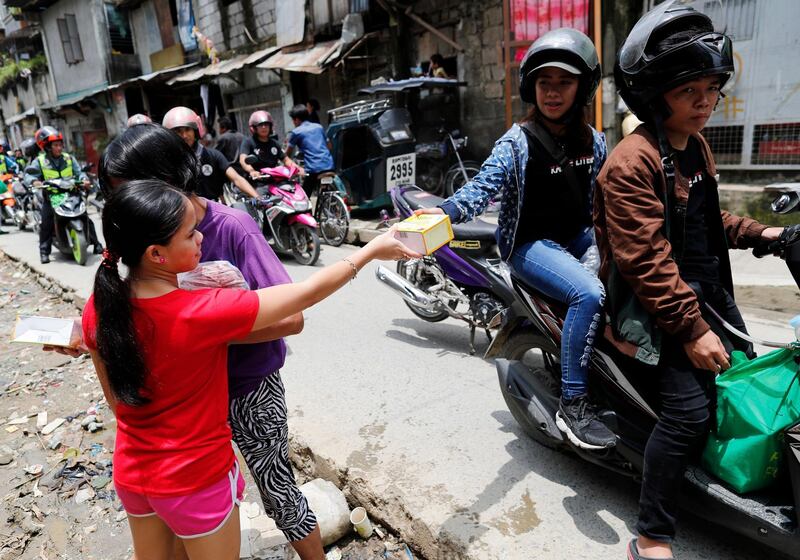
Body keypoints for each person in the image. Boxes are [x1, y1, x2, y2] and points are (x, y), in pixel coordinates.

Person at [82, 179, 417, 560]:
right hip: (196, 480)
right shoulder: (200, 310)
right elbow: (304, 295)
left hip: (134, 473)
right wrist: (371, 250)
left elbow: (114, 401)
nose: (201, 240)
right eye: (191, 235)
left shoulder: (99, 307)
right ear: (156, 254)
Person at [594, 3, 785, 558]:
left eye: (712, 88)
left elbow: (704, 223)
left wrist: (764, 234)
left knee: (747, 379)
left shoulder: (695, 147)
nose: (704, 102)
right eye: (689, 91)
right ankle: (652, 534)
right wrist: (691, 330)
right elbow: (647, 259)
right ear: (657, 94)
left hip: (705, 294)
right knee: (690, 414)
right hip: (655, 307)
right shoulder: (632, 163)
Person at [97, 123, 323, 560]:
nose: (122, 206)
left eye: (128, 189)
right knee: (186, 508)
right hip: (181, 404)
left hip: (247, 387)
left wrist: (204, 327)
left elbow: (292, 317)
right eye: (115, 193)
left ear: (167, 179)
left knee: (277, 490)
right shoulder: (139, 237)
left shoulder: (232, 227)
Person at [415, 28, 615, 449]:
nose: (553, 92)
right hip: (530, 245)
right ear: (531, 88)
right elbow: (482, 187)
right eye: (545, 83)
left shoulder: (594, 140)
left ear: (582, 88)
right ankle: (574, 404)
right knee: (590, 295)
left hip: (579, 237)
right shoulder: (517, 142)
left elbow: (610, 195)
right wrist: (446, 211)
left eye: (564, 82)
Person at [24, 126, 102, 262]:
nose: (59, 148)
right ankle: (44, 252)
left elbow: (79, 172)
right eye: (56, 145)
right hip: (52, 197)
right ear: (47, 147)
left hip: (72, 194)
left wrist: (83, 179)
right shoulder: (40, 161)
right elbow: (29, 175)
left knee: (85, 218)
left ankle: (96, 244)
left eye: (60, 145)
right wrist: (35, 181)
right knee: (46, 223)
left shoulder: (69, 158)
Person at [162, 106, 258, 202]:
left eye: (187, 129)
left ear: (195, 131)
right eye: (178, 131)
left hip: (215, 210)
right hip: (185, 212)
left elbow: (237, 179)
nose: (184, 136)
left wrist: (258, 198)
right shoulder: (168, 161)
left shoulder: (212, 155)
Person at [285, 105, 335, 197]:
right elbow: (329, 146)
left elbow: (286, 155)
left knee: (304, 197)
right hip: (329, 165)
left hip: (314, 169)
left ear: (296, 119)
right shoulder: (319, 127)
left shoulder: (296, 132)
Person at [238, 110, 298, 180]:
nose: (264, 127)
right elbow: (243, 160)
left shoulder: (275, 143)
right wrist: (252, 171)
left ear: (270, 127)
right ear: (254, 128)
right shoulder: (248, 142)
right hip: (256, 181)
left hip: (274, 179)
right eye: (260, 125)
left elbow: (286, 160)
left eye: (266, 124)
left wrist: (296, 168)